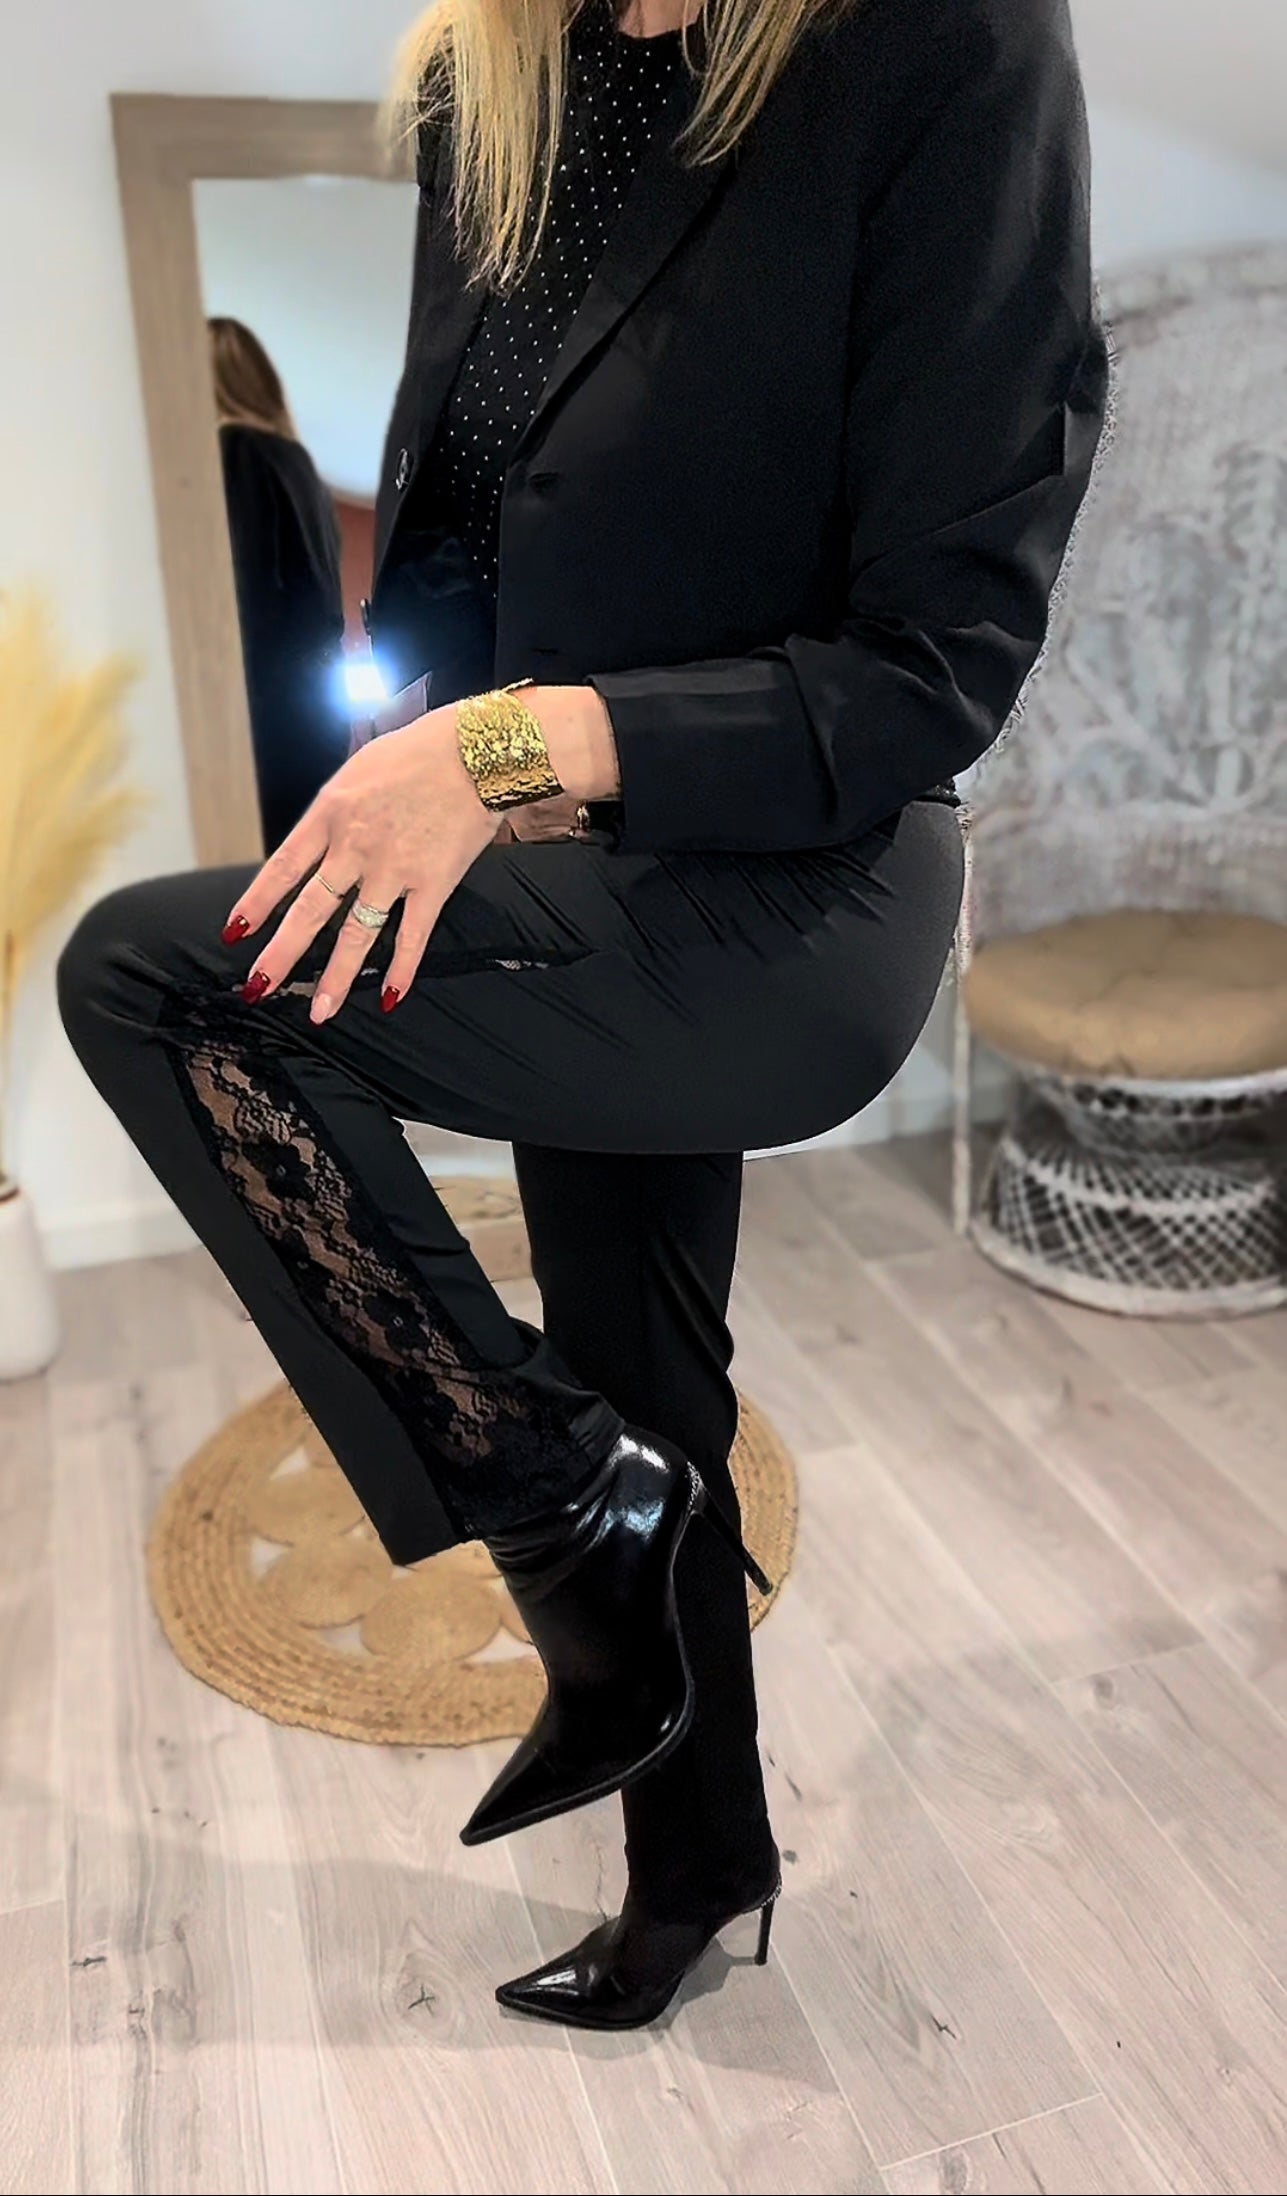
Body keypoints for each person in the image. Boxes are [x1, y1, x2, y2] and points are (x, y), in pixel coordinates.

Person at [59, 0, 1107, 2032]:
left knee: (154, 979)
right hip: (565, 851)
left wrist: (504, 757)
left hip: (799, 865)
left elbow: (930, 664)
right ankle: (695, 1861)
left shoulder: (942, 42)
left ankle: (556, 1497)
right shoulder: (496, 74)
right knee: (642, 1368)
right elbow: (464, 522)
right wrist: (425, 768)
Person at [209, 317, 348, 850]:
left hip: (262, 717)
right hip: (313, 716)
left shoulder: (236, 451)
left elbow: (246, 596)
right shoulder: (304, 472)